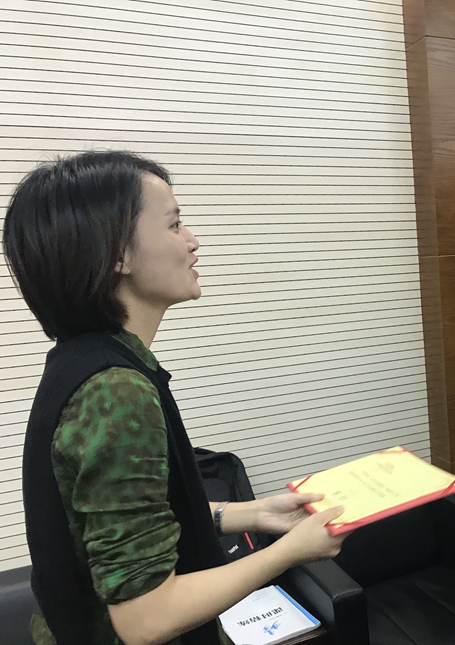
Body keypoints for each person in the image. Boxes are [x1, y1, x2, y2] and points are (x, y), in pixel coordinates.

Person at [3, 151, 347, 645]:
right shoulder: (115, 389)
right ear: (117, 254)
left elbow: (123, 518)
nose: (192, 241)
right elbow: (146, 619)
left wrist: (250, 514)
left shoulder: (81, 362)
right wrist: (290, 550)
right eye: (174, 224)